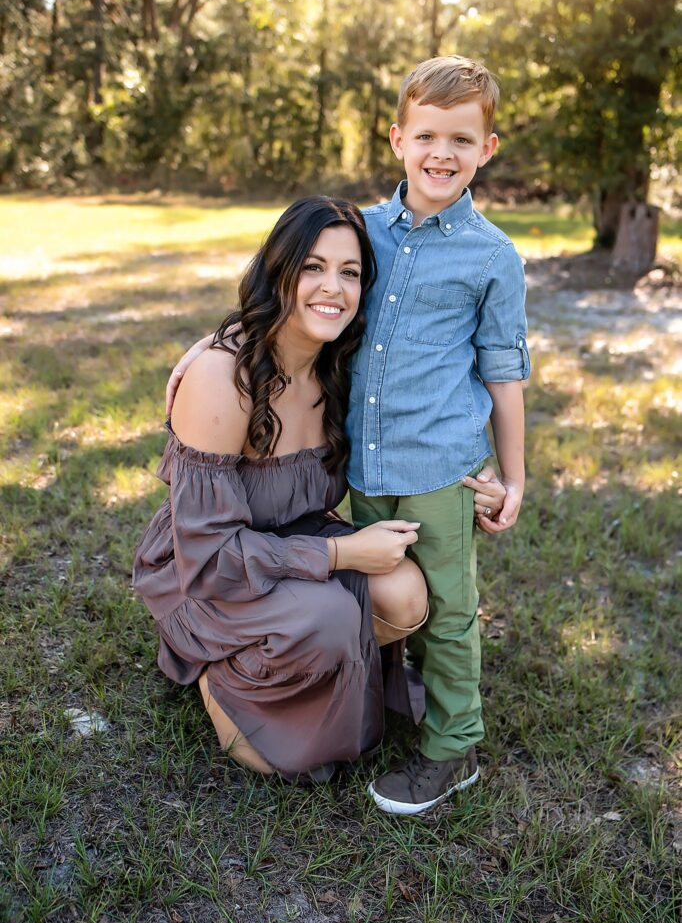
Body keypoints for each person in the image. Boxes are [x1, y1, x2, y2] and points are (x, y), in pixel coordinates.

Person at [165, 56, 524, 812]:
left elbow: (502, 369)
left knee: (439, 603)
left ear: (487, 149)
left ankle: (453, 745)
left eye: (462, 139)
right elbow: (292, 288)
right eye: (426, 134)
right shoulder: (367, 230)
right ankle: (275, 677)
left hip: (439, 465)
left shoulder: (492, 257)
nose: (442, 153)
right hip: (350, 474)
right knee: (357, 595)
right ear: (397, 138)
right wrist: (206, 350)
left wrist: (509, 475)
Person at [133, 196, 449, 782]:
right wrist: (341, 553)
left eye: (349, 272)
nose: (333, 287)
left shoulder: (339, 367)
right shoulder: (223, 380)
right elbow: (207, 559)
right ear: (280, 269)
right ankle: (217, 670)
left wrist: (475, 478)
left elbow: (427, 419)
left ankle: (303, 672)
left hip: (290, 541)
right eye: (313, 266)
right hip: (207, 570)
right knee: (327, 618)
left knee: (404, 592)